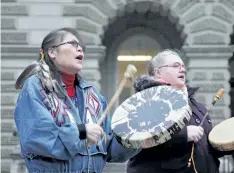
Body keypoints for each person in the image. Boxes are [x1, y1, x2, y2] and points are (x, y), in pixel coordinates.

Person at [14, 27, 139, 173]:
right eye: (73, 44)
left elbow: (109, 147)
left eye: (81, 47)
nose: (80, 49)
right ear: (52, 52)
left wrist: (134, 136)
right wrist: (81, 132)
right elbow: (37, 136)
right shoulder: (36, 87)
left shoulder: (94, 96)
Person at [126, 49, 233, 173]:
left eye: (183, 66)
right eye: (176, 66)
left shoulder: (198, 108)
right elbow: (141, 137)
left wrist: (227, 142)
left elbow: (208, 149)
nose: (183, 69)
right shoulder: (144, 101)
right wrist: (184, 134)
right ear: (158, 72)